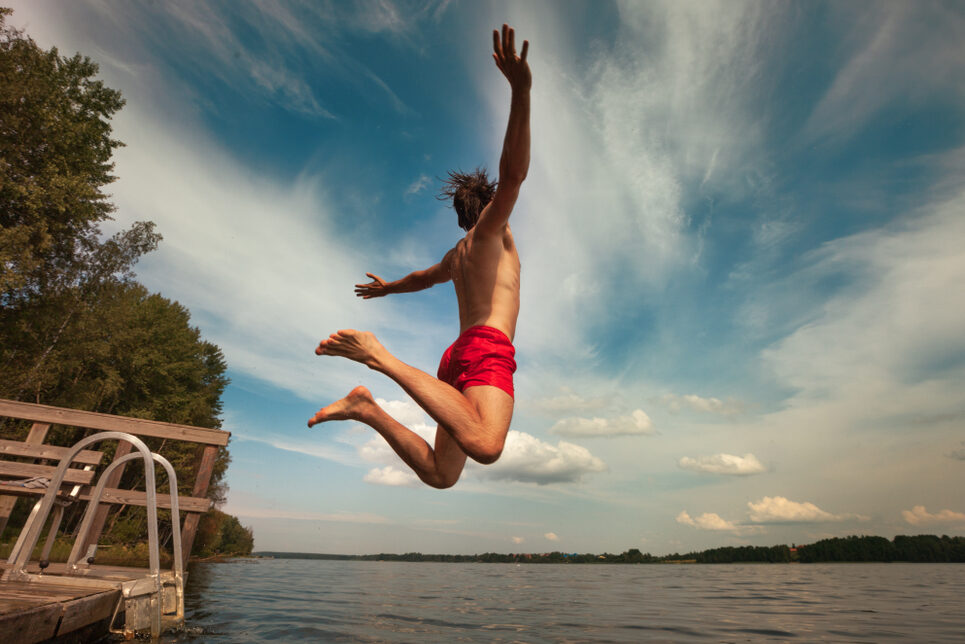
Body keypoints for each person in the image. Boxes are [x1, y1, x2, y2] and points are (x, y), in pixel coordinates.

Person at [307, 24, 530, 489]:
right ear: (486, 206)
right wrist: (521, 92)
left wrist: (387, 287)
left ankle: (366, 408)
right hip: (486, 347)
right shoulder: (494, 230)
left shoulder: (457, 255)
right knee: (487, 444)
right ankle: (380, 358)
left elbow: (420, 278)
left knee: (440, 474)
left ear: (456, 215)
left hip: (456, 357)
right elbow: (512, 177)